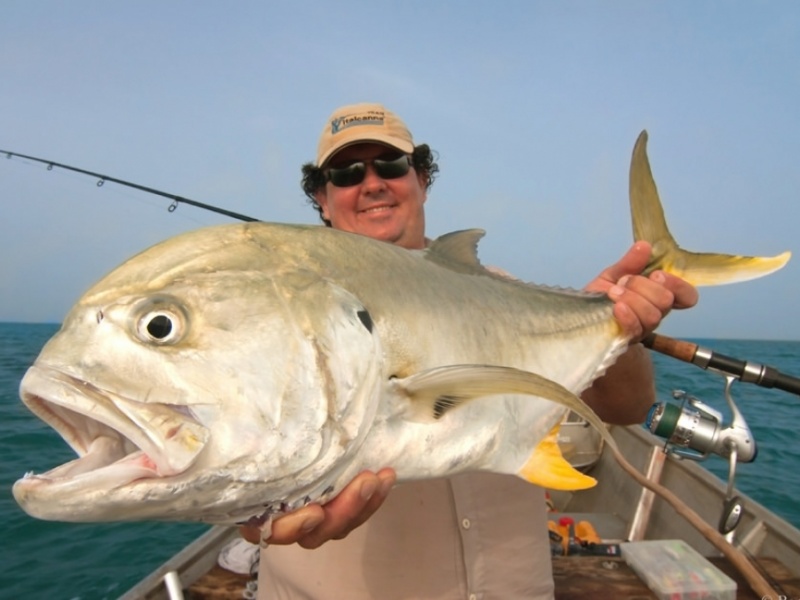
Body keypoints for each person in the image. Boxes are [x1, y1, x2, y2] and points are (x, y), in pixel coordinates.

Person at [242, 103, 698, 599]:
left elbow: (628, 408)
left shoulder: (501, 292)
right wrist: (248, 502)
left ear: (421, 180)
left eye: (391, 166)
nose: (372, 183)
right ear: (322, 198)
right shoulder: (280, 309)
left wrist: (618, 326)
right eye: (347, 173)